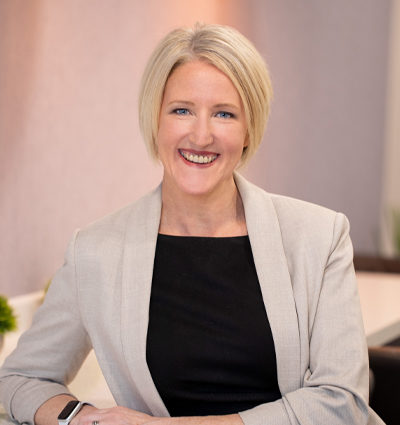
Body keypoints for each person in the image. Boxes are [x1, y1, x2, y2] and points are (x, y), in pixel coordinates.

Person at [0, 23, 384, 425]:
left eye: (224, 114)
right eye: (182, 110)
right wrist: (85, 418)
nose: (201, 136)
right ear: (156, 120)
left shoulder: (319, 236)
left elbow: (342, 402)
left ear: (249, 129)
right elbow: (21, 378)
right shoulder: (96, 251)